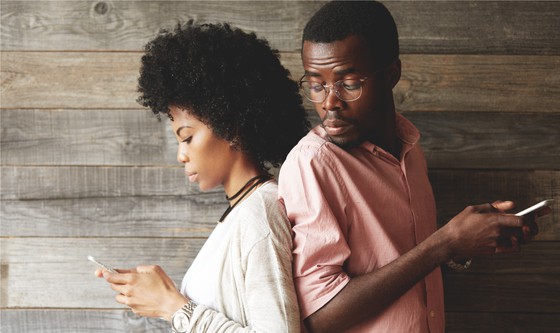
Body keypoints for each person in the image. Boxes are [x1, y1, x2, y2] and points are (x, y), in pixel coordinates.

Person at [277, 1, 551, 332]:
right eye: (316, 85)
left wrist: (466, 243)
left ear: (391, 74)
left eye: (348, 83)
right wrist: (445, 243)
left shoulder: (410, 149)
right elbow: (319, 315)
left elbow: (406, 267)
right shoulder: (313, 163)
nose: (329, 102)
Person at [94, 21, 309, 333]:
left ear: (231, 127)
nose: (181, 155)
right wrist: (158, 298)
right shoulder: (240, 215)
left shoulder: (259, 213)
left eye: (187, 137)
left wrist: (172, 306)